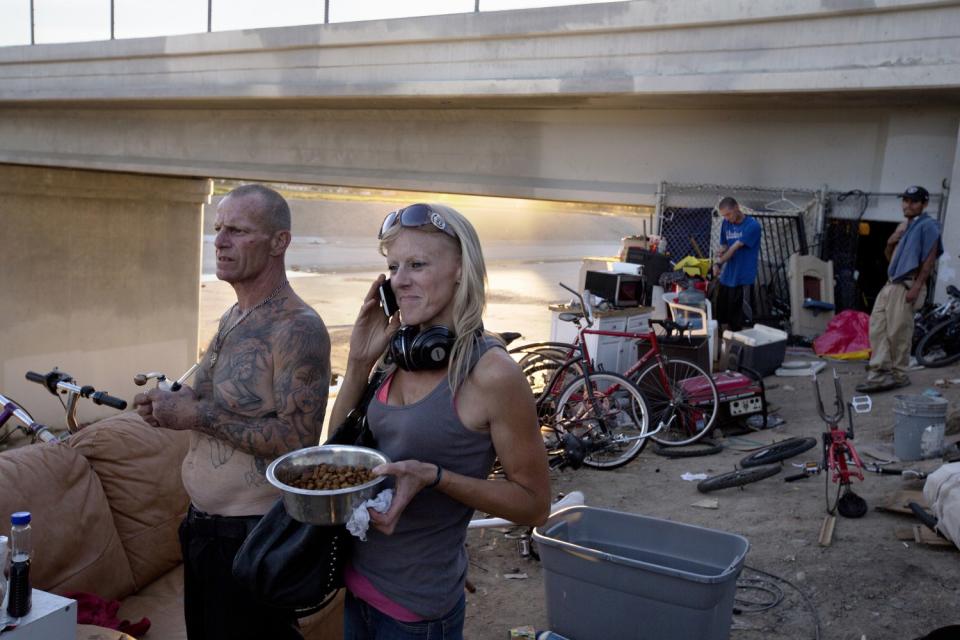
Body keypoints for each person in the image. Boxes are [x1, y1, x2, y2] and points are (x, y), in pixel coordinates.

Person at [329, 203, 551, 640]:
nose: (400, 279)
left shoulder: (493, 374)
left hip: (416, 613)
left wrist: (435, 477)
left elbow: (534, 504)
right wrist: (357, 364)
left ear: (459, 270)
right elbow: (335, 452)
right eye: (393, 266)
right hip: (355, 586)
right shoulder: (397, 354)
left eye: (417, 264)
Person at [133, 184, 331, 640]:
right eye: (218, 228)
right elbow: (201, 390)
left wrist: (195, 416)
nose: (219, 242)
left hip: (252, 537)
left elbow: (297, 441)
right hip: (203, 531)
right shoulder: (233, 316)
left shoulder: (297, 329)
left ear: (279, 242)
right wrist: (163, 401)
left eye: (238, 231)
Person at [857, 185, 943, 393]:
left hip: (907, 284)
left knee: (898, 332)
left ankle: (898, 375)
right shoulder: (904, 226)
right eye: (905, 200)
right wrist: (889, 243)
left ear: (924, 204)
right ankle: (879, 373)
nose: (908, 205)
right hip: (891, 283)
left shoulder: (928, 225)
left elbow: (929, 261)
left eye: (913, 201)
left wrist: (917, 287)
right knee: (877, 328)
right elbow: (891, 259)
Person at [712, 197, 762, 332]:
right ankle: (724, 348)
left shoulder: (752, 226)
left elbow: (734, 248)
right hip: (726, 278)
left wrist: (717, 263)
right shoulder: (726, 223)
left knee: (740, 323)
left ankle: (740, 350)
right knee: (722, 319)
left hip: (743, 279)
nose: (726, 218)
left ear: (737, 208)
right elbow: (725, 245)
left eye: (728, 214)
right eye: (724, 216)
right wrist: (720, 252)